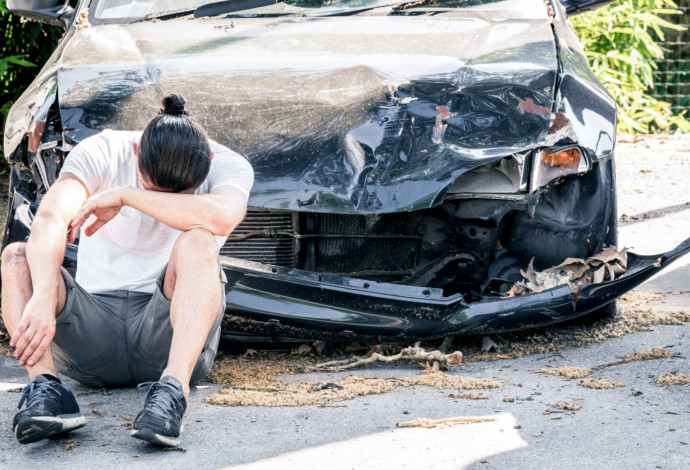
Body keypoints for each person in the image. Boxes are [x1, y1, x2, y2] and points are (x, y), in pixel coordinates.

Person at [1, 94, 254, 446]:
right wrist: (44, 292)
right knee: (17, 256)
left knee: (199, 240)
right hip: (92, 335)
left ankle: (171, 395)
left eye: (181, 196)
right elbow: (51, 216)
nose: (163, 203)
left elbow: (223, 216)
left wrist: (128, 195)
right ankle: (47, 391)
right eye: (152, 189)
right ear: (136, 151)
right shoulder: (103, 150)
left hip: (166, 336)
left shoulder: (229, 163)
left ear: (208, 160)